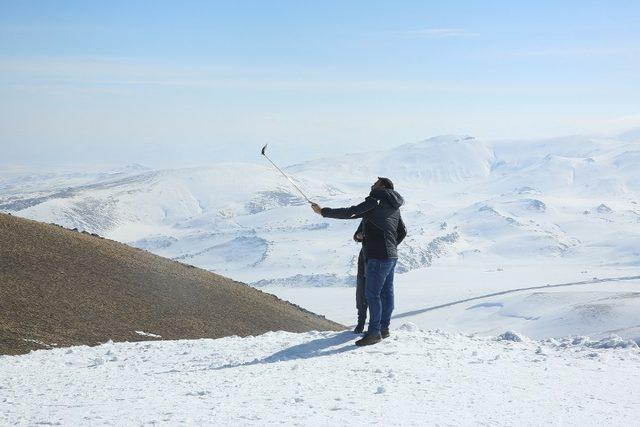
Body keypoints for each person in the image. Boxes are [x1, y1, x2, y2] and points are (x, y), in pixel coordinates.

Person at [311, 177, 406, 346]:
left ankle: (374, 333)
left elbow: (351, 212)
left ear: (382, 186)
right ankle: (384, 329)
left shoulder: (376, 200)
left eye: (375, 183)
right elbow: (402, 231)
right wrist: (390, 245)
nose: (372, 185)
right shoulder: (394, 205)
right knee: (386, 293)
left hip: (377, 256)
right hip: (391, 256)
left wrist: (323, 211)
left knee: (372, 294)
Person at [353, 221, 367, 334]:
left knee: (378, 293)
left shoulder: (390, 212)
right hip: (365, 257)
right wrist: (359, 236)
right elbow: (356, 235)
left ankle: (377, 326)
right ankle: (360, 323)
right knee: (361, 292)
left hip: (380, 256)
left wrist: (391, 245)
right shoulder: (367, 213)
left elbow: (401, 232)